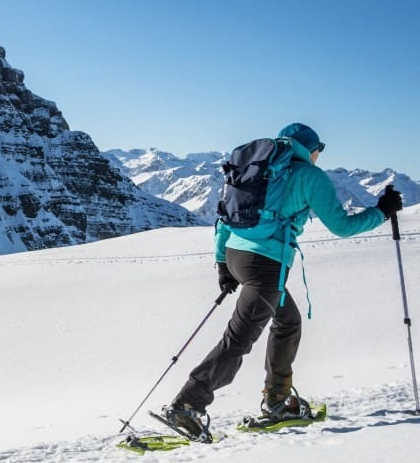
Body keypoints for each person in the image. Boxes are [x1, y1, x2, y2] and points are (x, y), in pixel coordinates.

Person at [162, 123, 404, 441]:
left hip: (237, 255)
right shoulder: (309, 176)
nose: (318, 156)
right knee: (238, 340)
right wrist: (381, 212)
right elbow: (342, 227)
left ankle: (277, 400)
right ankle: (187, 405)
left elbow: (225, 218)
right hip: (265, 267)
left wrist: (223, 264)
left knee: (288, 321)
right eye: (318, 151)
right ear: (311, 149)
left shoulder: (258, 168)